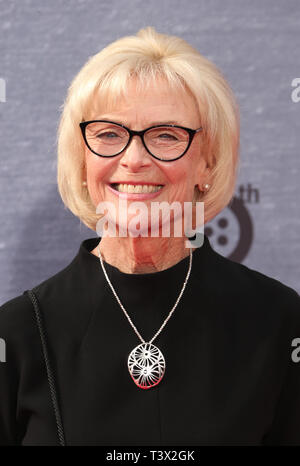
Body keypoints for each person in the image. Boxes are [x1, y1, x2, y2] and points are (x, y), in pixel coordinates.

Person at [0, 26, 300, 446]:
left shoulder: (282, 323)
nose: (134, 159)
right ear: (82, 159)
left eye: (166, 136)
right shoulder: (16, 332)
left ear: (208, 164)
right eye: (109, 134)